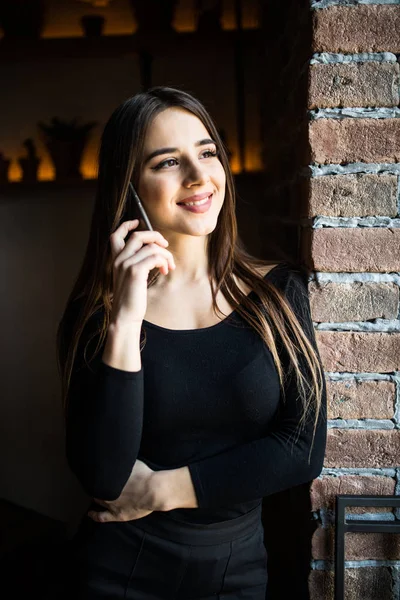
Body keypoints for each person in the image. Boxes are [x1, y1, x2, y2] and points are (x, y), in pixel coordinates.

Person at [56, 86, 327, 599]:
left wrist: (163, 489)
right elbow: (105, 479)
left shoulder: (279, 294)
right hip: (118, 570)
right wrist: (127, 317)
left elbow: (301, 451)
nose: (199, 177)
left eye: (207, 153)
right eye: (167, 162)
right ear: (129, 187)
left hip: (237, 569)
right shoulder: (98, 315)